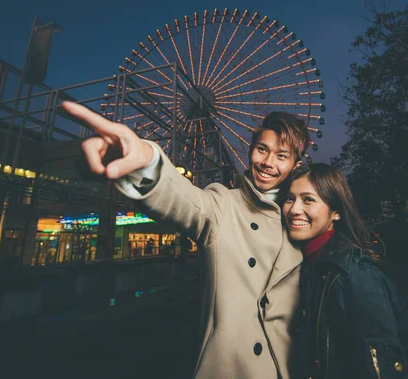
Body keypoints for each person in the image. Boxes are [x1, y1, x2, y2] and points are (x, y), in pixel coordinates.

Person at [62, 101, 310, 379]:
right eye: (262, 149)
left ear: (295, 164)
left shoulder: (301, 221)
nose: (267, 163)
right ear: (251, 150)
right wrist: (146, 160)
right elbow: (181, 199)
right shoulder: (222, 205)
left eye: (281, 156)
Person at [282, 163, 408, 379]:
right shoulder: (312, 265)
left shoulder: (354, 273)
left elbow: (383, 367)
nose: (294, 209)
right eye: (289, 198)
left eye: (308, 199)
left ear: (336, 212)